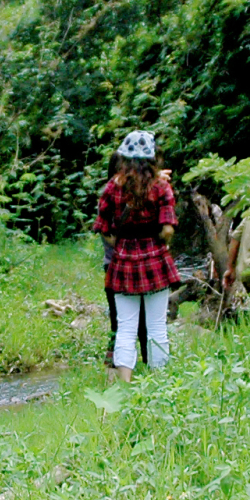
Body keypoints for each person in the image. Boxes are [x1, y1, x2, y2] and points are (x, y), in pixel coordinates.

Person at [96, 131, 179, 381]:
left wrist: (122, 244)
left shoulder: (113, 187)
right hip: (154, 259)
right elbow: (167, 229)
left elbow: (104, 229)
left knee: (125, 327)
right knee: (156, 326)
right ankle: (160, 382)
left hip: (123, 262)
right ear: (153, 158)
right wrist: (158, 241)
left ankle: (124, 382)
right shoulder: (161, 187)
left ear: (124, 158)